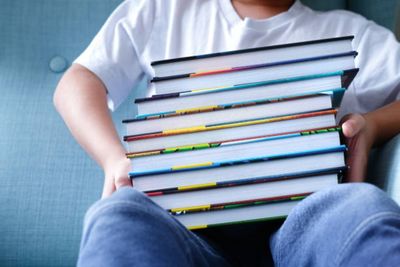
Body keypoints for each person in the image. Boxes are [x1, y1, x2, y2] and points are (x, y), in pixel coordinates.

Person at [53, 0, 400, 266]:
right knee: (120, 215)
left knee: (362, 208)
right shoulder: (165, 9)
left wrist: (372, 125)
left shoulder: (355, 35)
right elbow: (78, 83)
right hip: (180, 224)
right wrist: (114, 158)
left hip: (303, 221)